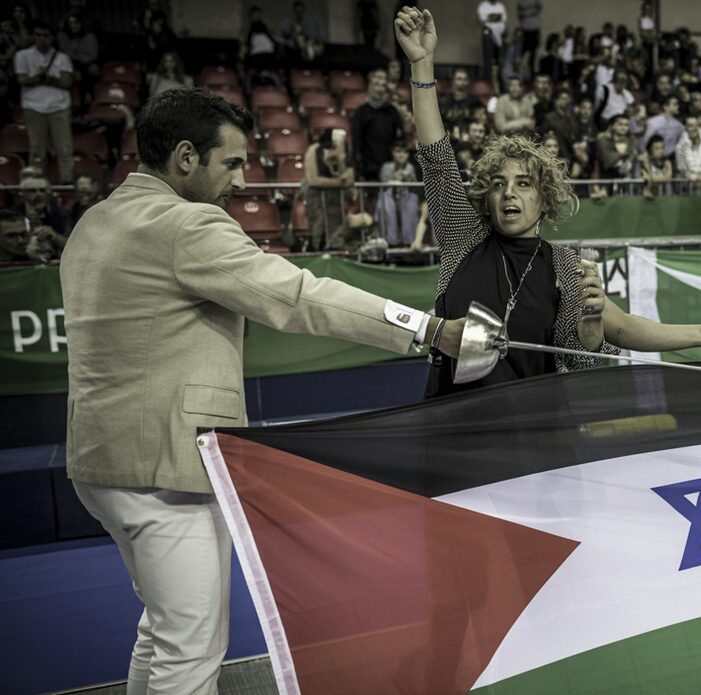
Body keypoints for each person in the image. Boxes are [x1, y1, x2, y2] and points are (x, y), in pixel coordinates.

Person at [60, 88, 465, 695]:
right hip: (166, 468)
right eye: (231, 163)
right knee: (191, 650)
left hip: (101, 463)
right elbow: (298, 297)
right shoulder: (186, 223)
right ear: (187, 157)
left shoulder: (97, 219)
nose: (242, 181)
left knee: (164, 631)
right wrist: (427, 328)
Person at [393, 6, 701, 399]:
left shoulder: (564, 267)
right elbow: (437, 159)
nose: (509, 192)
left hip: (534, 435)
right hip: (451, 426)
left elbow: (618, 331)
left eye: (524, 183)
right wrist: (422, 65)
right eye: (499, 184)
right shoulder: (463, 238)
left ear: (545, 199)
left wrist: (699, 333)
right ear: (486, 199)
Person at [14, 21, 74, 184]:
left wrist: (42, 78)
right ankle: (36, 183)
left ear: (52, 38)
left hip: (59, 107)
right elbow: (22, 79)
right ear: (33, 36)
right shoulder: (22, 56)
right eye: (38, 35)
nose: (42, 39)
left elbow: (67, 82)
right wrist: (43, 78)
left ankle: (66, 185)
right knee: (36, 151)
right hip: (33, 107)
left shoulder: (62, 58)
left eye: (46, 36)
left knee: (64, 149)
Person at [304, 128, 356, 250]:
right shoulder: (313, 150)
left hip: (334, 202)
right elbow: (313, 180)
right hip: (317, 200)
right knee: (319, 230)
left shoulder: (342, 155)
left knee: (337, 232)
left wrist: (340, 156)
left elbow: (349, 178)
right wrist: (339, 183)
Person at [351, 69, 403, 181]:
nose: (379, 89)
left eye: (383, 85)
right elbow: (357, 142)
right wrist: (359, 167)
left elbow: (399, 138)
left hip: (390, 169)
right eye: (376, 84)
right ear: (369, 87)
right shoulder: (360, 113)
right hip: (369, 170)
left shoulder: (392, 111)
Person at [639, 134, 672, 199]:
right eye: (657, 148)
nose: (661, 150)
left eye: (662, 147)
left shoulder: (667, 163)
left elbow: (668, 177)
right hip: (649, 196)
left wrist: (652, 178)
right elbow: (646, 178)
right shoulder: (646, 162)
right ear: (650, 150)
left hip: (665, 196)